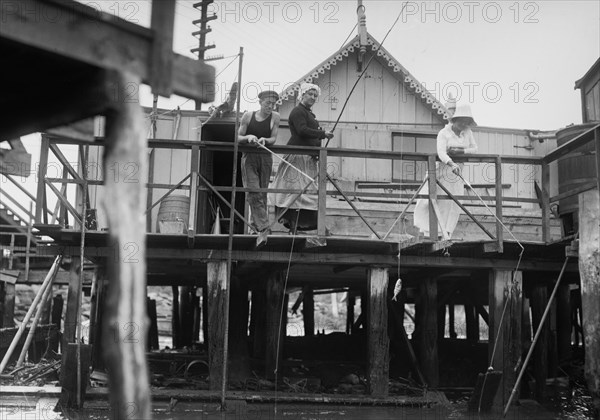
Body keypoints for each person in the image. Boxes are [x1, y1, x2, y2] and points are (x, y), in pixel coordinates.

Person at [271, 83, 334, 233]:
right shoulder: (297, 111)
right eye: (310, 94)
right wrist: (322, 133)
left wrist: (318, 147)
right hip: (297, 157)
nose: (313, 97)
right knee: (295, 191)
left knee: (309, 192)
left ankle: (309, 226)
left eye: (315, 95)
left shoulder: (309, 114)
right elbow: (302, 130)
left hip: (308, 158)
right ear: (302, 94)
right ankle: (293, 227)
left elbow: (311, 134)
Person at [413, 104, 478, 239]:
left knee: (454, 202)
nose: (464, 124)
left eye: (467, 121)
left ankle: (446, 234)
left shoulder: (468, 132)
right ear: (455, 119)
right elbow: (441, 153)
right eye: (462, 120)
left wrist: (461, 151)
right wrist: (451, 163)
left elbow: (475, 148)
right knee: (432, 200)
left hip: (457, 172)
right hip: (442, 170)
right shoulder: (444, 133)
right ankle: (428, 233)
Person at [238, 90, 281, 242]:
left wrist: (265, 140)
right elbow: (238, 137)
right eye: (267, 103)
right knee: (253, 190)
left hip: (265, 157)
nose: (270, 106)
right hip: (249, 157)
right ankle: (263, 228)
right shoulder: (248, 116)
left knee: (261, 194)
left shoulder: (275, 117)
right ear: (260, 102)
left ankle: (253, 227)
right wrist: (248, 137)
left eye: (273, 104)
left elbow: (274, 138)